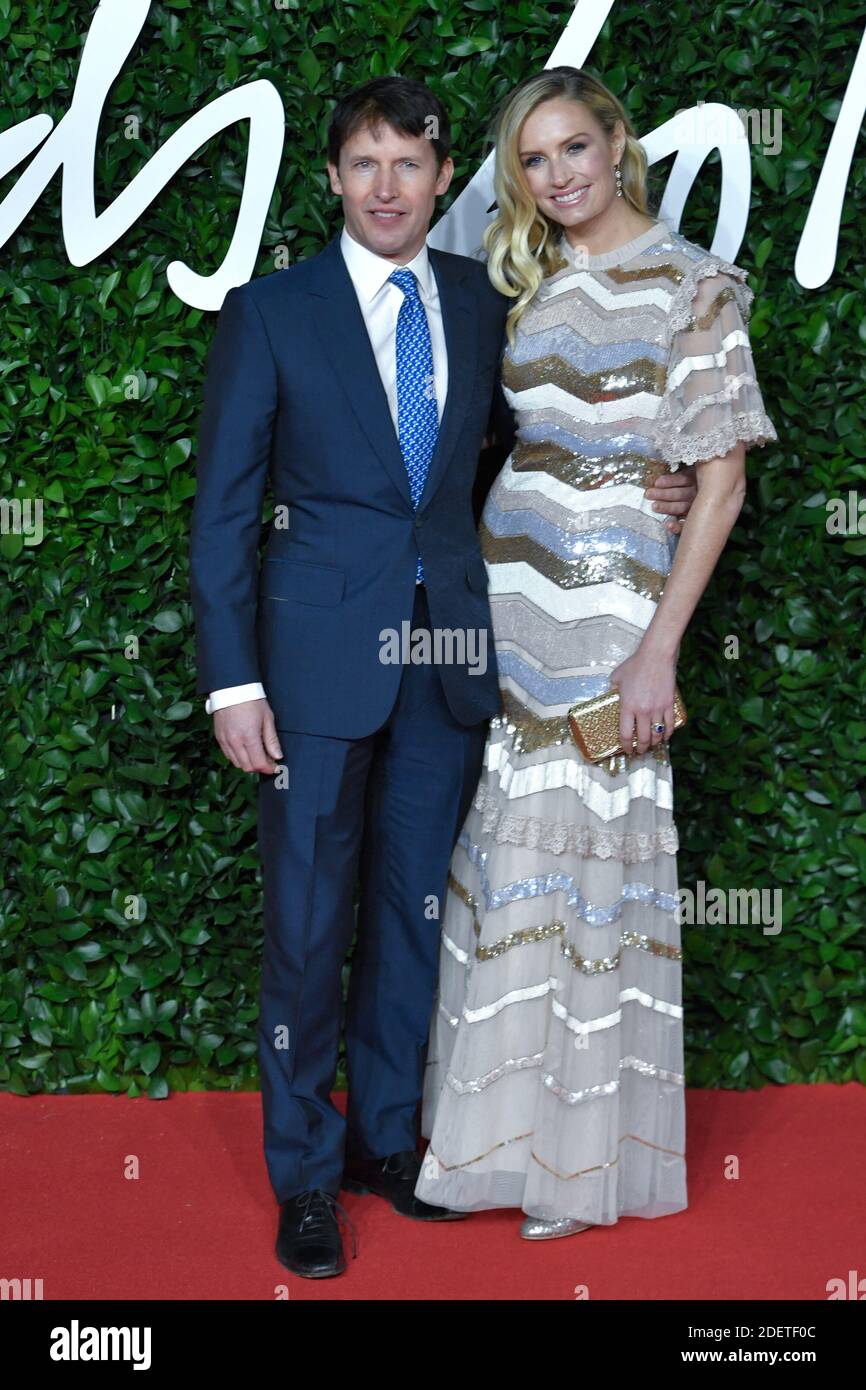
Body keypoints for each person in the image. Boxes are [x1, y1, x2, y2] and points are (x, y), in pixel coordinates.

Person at [189, 75, 696, 1278]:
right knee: (308, 930)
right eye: (361, 166)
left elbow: (546, 442)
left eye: (407, 166)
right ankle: (305, 1178)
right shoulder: (272, 312)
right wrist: (231, 684)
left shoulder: (480, 303)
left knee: (418, 913)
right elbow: (219, 515)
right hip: (311, 670)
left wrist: (653, 484)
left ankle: (386, 1143)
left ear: (437, 181)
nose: (384, 188)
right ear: (331, 181)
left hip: (452, 662)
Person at [415, 66, 778, 1237]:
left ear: (617, 145)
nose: (557, 175)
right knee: (505, 863)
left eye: (574, 148)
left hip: (617, 608)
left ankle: (572, 1168)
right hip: (507, 605)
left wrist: (657, 651)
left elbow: (716, 487)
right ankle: (484, 1147)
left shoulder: (691, 287)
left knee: (587, 871)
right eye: (532, 159)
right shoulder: (519, 285)